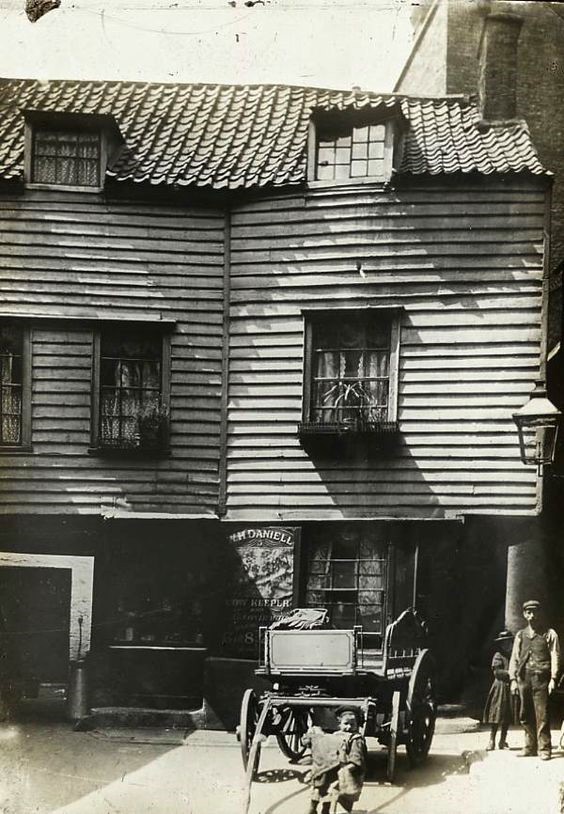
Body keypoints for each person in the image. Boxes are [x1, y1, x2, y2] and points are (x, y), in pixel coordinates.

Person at [509, 599, 560, 760]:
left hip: (541, 679)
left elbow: (555, 656)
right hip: (524, 679)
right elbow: (514, 659)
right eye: (529, 612)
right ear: (524, 614)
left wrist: (553, 678)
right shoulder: (520, 635)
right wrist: (513, 680)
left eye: (535, 612)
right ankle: (530, 746)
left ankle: (544, 748)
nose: (532, 615)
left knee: (542, 714)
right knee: (525, 713)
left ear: (540, 613)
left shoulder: (549, 634)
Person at [303, 707, 366, 814]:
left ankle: (326, 809)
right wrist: (312, 738)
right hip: (327, 767)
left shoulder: (356, 739)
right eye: (346, 723)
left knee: (333, 791)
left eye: (353, 724)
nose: (349, 727)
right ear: (339, 723)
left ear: (357, 724)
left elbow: (356, 756)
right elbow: (323, 747)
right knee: (320, 786)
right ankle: (312, 808)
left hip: (342, 769)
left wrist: (349, 767)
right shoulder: (335, 736)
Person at [483, 629, 514, 750]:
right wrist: (511, 673)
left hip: (509, 687)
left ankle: (502, 740)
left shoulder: (513, 655)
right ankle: (492, 740)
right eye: (503, 642)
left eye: (508, 642)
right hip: (500, 687)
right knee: (496, 714)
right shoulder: (498, 655)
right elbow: (497, 672)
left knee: (507, 715)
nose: (506, 644)